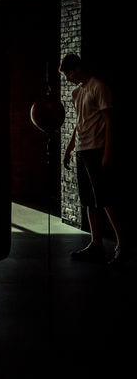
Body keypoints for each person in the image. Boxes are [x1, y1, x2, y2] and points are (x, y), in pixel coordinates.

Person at [60, 54, 129, 265]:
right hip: (83, 150)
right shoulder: (76, 92)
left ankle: (123, 246)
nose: (68, 78)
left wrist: (108, 152)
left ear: (78, 68)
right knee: (89, 200)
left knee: (106, 199)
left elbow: (110, 122)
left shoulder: (99, 87)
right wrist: (70, 148)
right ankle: (96, 244)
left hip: (98, 150)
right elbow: (80, 123)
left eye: (69, 73)